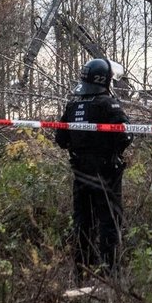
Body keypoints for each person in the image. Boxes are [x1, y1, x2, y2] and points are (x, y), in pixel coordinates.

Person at [55, 58, 133, 282]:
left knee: (82, 222)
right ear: (105, 79)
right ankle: (111, 274)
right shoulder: (108, 104)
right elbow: (126, 135)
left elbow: (60, 138)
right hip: (106, 174)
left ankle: (81, 274)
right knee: (109, 222)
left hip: (80, 173)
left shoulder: (73, 105)